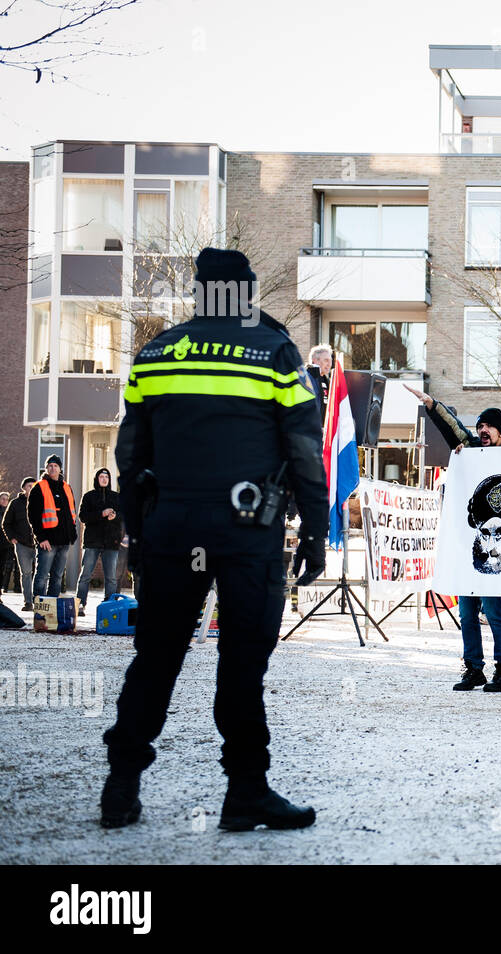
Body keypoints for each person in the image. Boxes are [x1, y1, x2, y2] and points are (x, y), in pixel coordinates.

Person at [99, 247, 329, 831]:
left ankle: (120, 785)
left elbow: (129, 455)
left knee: (156, 658)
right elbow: (304, 450)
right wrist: (316, 530)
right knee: (243, 660)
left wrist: (138, 530)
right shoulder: (275, 352)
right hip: (246, 529)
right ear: (246, 293)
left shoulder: (156, 353)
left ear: (199, 291)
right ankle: (246, 790)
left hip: (172, 524)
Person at [405, 384, 501, 693]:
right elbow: (453, 428)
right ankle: (474, 669)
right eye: (480, 425)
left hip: (498, 551)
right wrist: (431, 405)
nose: (483, 430)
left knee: (495, 612)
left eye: (489, 426)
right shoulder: (470, 451)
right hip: (471, 548)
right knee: (467, 611)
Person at [75, 468, 124, 616]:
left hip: (111, 542)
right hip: (92, 541)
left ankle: (109, 605)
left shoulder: (117, 497)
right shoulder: (88, 496)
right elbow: (82, 517)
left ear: (109, 480)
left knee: (111, 577)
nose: (104, 479)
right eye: (101, 476)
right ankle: (80, 604)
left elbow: (125, 516)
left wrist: (114, 516)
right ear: (96, 479)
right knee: (85, 575)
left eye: (106, 477)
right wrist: (101, 514)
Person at [29, 455, 77, 599]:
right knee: (42, 576)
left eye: (55, 466)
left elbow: (71, 513)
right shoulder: (39, 487)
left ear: (60, 468)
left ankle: (52, 610)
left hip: (64, 542)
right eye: (50, 465)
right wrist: (41, 538)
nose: (53, 468)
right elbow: (33, 515)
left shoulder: (66, 487)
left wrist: (72, 535)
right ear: (46, 468)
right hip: (47, 542)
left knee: (57, 577)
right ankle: (39, 610)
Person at [4, 478, 38, 611]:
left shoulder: (40, 502)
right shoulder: (15, 504)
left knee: (41, 573)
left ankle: (39, 601)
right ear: (23, 488)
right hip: (22, 545)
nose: (32, 488)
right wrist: (12, 538)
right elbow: (6, 523)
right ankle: (28, 602)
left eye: (34, 486)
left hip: (39, 544)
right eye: (29, 486)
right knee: (26, 573)